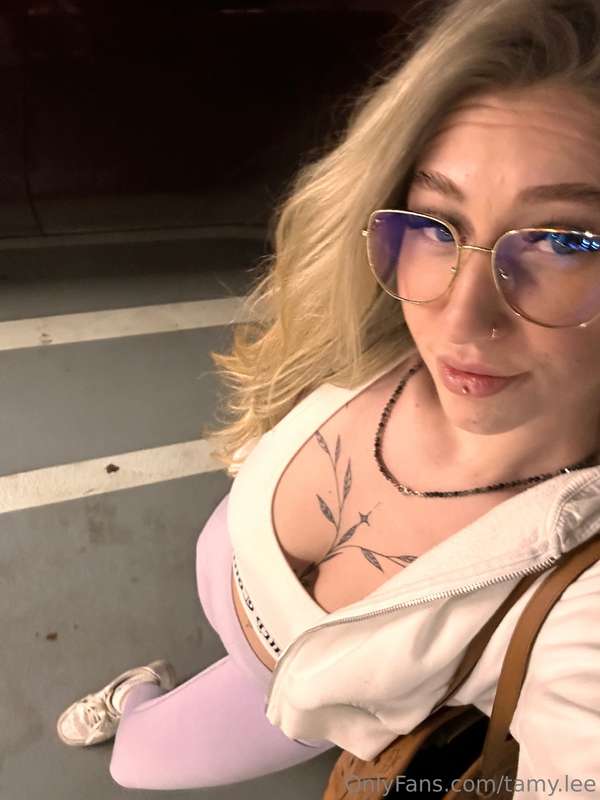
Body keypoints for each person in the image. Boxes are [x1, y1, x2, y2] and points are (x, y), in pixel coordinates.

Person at [56, 0, 600, 794]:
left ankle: (138, 693)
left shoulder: (581, 606)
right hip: (227, 578)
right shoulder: (369, 332)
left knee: (137, 762)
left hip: (279, 703)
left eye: (566, 240)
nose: (457, 318)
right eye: (437, 222)